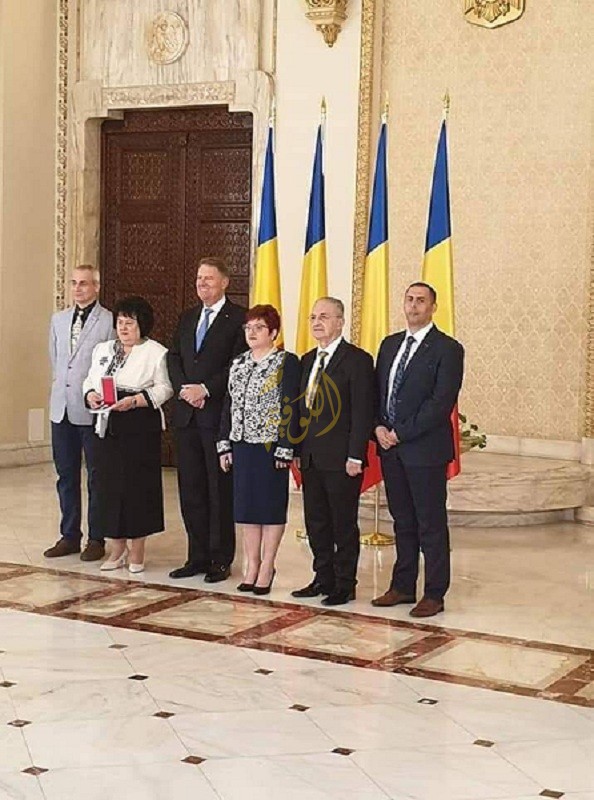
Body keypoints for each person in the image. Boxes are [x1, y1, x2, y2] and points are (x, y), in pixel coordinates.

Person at [372, 282, 464, 618]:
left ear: (433, 307)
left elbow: (440, 403)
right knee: (403, 520)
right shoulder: (390, 344)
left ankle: (435, 593)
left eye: (421, 301)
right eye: (409, 299)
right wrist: (378, 428)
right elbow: (378, 392)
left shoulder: (448, 349)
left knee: (431, 523)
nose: (413, 305)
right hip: (390, 450)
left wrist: (401, 432)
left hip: (424, 451)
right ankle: (403, 586)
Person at [167, 257, 247, 583]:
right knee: (191, 490)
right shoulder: (187, 317)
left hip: (217, 417)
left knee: (218, 490)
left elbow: (238, 364)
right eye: (199, 278)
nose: (202, 283)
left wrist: (205, 389)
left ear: (224, 282)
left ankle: (220, 558)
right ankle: (196, 556)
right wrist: (184, 390)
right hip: (186, 417)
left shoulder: (239, 318)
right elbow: (173, 357)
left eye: (209, 278)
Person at [291, 297, 374, 606]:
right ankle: (322, 577)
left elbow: (362, 411)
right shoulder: (307, 359)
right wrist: (297, 448)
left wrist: (356, 455)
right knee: (316, 522)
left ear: (340, 322)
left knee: (343, 523)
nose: (317, 322)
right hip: (311, 456)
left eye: (324, 316)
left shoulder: (357, 360)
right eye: (313, 317)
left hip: (342, 459)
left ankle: (345, 583)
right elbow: (299, 409)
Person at [83, 296, 173, 573]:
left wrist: (135, 401)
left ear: (142, 325)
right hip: (107, 425)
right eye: (120, 322)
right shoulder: (103, 349)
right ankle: (117, 548)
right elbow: (90, 380)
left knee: (137, 488)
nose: (123, 328)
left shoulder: (156, 352)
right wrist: (91, 394)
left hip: (139, 427)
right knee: (109, 488)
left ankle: (137, 550)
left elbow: (165, 388)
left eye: (129, 323)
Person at [217, 305, 300, 595]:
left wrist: (286, 446)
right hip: (242, 445)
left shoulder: (285, 362)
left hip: (270, 446)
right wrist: (224, 444)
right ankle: (251, 565)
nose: (252, 333)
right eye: (248, 328)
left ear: (273, 332)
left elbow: (290, 405)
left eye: (259, 328)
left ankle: (267, 565)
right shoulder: (238, 363)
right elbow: (228, 404)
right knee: (247, 507)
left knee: (270, 507)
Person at [44, 265, 113, 562]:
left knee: (97, 476)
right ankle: (70, 535)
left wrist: (102, 398)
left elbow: (111, 364)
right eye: (73, 283)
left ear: (96, 287)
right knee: (66, 475)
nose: (77, 288)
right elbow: (57, 360)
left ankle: (97, 538)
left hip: (91, 408)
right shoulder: (58, 320)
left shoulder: (108, 320)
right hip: (62, 408)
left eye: (84, 283)